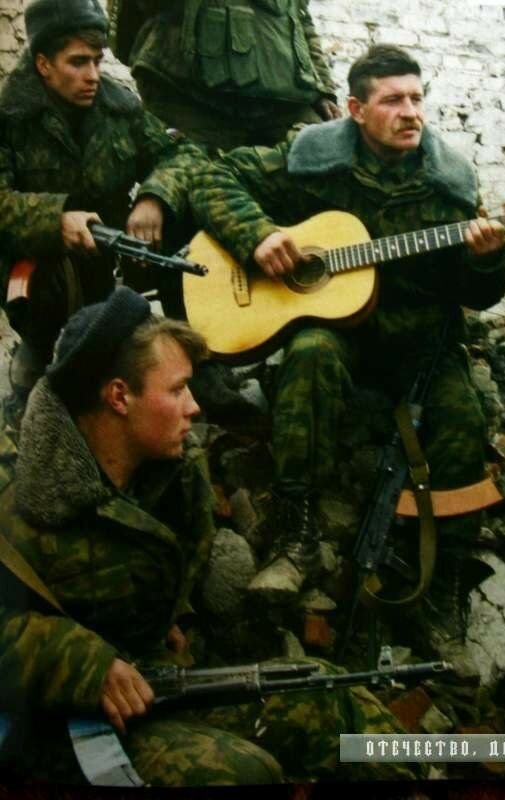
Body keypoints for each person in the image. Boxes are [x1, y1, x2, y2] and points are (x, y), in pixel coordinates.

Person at [0, 286, 417, 786]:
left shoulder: (175, 471)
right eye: (176, 390)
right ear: (118, 397)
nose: (195, 406)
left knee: (327, 696)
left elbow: (182, 561)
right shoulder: (20, 497)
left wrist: (177, 615)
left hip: (161, 685)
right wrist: (84, 662)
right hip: (67, 729)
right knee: (244, 774)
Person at [190, 44, 505, 643]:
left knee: (462, 417)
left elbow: (481, 296)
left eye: (417, 98)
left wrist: (487, 262)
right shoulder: (314, 158)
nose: (411, 112)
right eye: (393, 100)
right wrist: (259, 236)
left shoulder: (451, 187)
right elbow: (214, 175)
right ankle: (297, 536)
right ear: (356, 110)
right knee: (308, 355)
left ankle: (439, 582)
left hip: (420, 341)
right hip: (340, 331)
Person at [0, 0, 201, 416]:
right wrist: (55, 221)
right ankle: (38, 366)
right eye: (77, 62)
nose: (92, 75)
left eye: (97, 60)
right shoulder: (10, 119)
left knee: (185, 218)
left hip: (108, 263)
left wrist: (153, 197)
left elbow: (182, 155)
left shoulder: (119, 107)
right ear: (43, 64)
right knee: (41, 395)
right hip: (36, 275)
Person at [108, 0, 341, 154]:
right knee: (194, 191)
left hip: (282, 101)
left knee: (322, 164)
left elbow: (300, 20)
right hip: (190, 96)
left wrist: (322, 88)